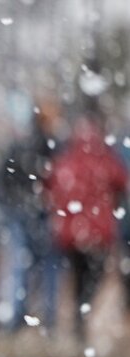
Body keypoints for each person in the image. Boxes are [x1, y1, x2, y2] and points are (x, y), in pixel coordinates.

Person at [46, 114, 128, 340]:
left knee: (77, 274)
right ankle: (83, 309)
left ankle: (78, 314)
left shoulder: (66, 160)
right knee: (94, 274)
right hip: (98, 233)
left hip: (71, 234)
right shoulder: (106, 160)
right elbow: (123, 182)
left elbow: (52, 189)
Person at [0, 98, 60, 332]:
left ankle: (17, 319)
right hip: (40, 213)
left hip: (23, 212)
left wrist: (10, 206)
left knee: (20, 265)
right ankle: (48, 320)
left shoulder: (20, 144)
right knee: (47, 267)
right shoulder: (53, 147)